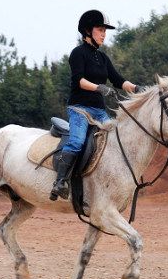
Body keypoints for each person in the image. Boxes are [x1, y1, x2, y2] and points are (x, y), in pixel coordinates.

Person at [50, 10, 139, 200]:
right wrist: (100, 88)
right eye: (100, 30)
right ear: (88, 31)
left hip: (99, 112)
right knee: (76, 142)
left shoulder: (103, 58)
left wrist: (137, 88)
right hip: (79, 109)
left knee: (116, 141)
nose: (104, 34)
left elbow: (118, 80)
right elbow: (79, 81)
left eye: (105, 31)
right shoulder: (77, 53)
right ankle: (60, 182)